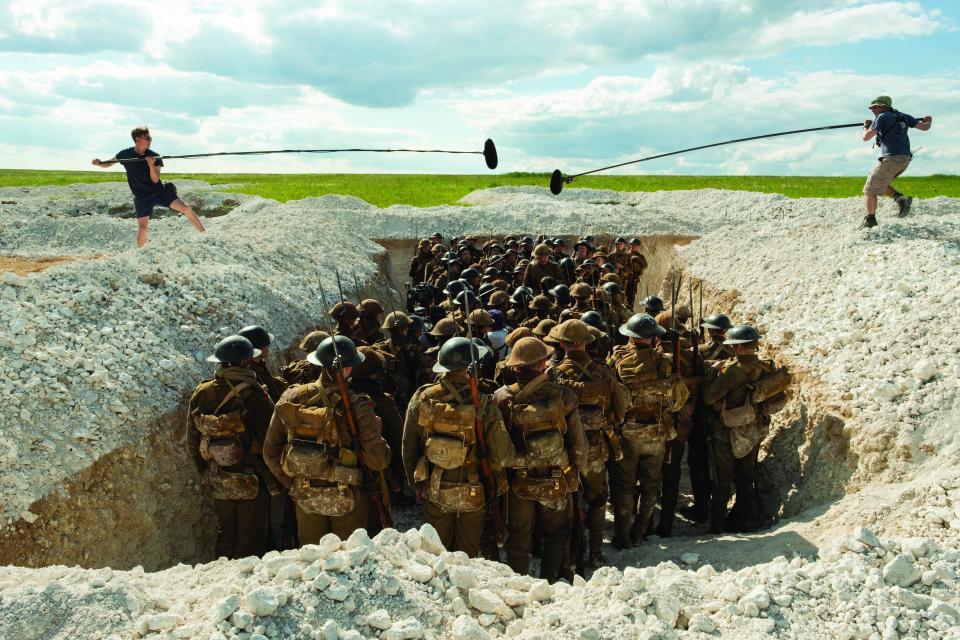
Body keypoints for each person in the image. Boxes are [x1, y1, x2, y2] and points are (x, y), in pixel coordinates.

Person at [262, 336, 392, 542]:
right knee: (349, 560)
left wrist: (294, 484)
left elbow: (270, 452)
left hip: (305, 495)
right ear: (348, 368)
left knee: (314, 560)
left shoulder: (291, 398)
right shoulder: (358, 405)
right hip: (349, 496)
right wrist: (378, 432)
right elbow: (377, 461)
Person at [402, 337, 517, 557]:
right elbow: (503, 456)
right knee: (466, 556)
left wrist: (416, 484)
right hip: (473, 489)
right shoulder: (484, 404)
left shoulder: (423, 397)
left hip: (435, 487)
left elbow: (409, 446)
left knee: (435, 554)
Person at [494, 336, 587, 582]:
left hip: (519, 481)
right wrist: (576, 473)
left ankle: (520, 584)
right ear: (544, 364)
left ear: (515, 367)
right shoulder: (564, 395)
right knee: (557, 534)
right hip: (556, 478)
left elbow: (497, 446)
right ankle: (550, 582)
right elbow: (578, 443)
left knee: (519, 538)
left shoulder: (501, 398)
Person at [185, 335, 276, 558]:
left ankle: (222, 574)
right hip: (252, 478)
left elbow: (192, 439)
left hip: (219, 475)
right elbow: (270, 441)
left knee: (225, 533)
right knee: (251, 538)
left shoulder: (202, 392)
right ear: (246, 362)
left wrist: (205, 469)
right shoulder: (255, 394)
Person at [607, 314, 689, 548]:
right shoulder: (665, 363)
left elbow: (611, 398)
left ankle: (622, 536)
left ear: (630, 337)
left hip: (628, 434)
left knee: (624, 485)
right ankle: (640, 531)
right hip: (657, 434)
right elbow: (678, 401)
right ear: (654, 338)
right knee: (651, 484)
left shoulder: (617, 362)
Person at [550, 320, 627, 568]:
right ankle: (595, 553)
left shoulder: (554, 375)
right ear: (587, 342)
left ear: (562, 344)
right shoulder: (605, 373)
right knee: (597, 501)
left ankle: (569, 557)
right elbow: (621, 411)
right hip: (595, 449)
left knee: (568, 502)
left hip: (564, 451)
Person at [702, 325, 790, 533]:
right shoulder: (767, 367)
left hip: (726, 432)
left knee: (723, 480)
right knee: (745, 477)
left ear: (738, 348)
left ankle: (717, 526)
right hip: (754, 429)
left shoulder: (730, 371)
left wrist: (713, 373)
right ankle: (742, 521)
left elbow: (708, 398)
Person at [91, 127, 206, 247]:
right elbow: (108, 163)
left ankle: (205, 235)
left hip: (159, 192)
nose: (150, 140)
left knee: (186, 208)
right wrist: (99, 163)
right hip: (142, 197)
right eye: (147, 138)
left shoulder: (155, 156)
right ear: (138, 139)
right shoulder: (125, 154)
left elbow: (155, 179)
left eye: (150, 138)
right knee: (143, 227)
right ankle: (140, 251)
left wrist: (151, 165)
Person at [860, 96, 932, 228]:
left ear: (884, 106)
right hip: (904, 159)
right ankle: (901, 200)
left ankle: (870, 220)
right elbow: (925, 127)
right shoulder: (904, 116)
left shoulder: (881, 117)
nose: (873, 110)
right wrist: (928, 121)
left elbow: (866, 137)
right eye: (872, 107)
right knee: (881, 182)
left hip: (891, 158)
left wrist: (866, 126)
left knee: (870, 189)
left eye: (876, 107)